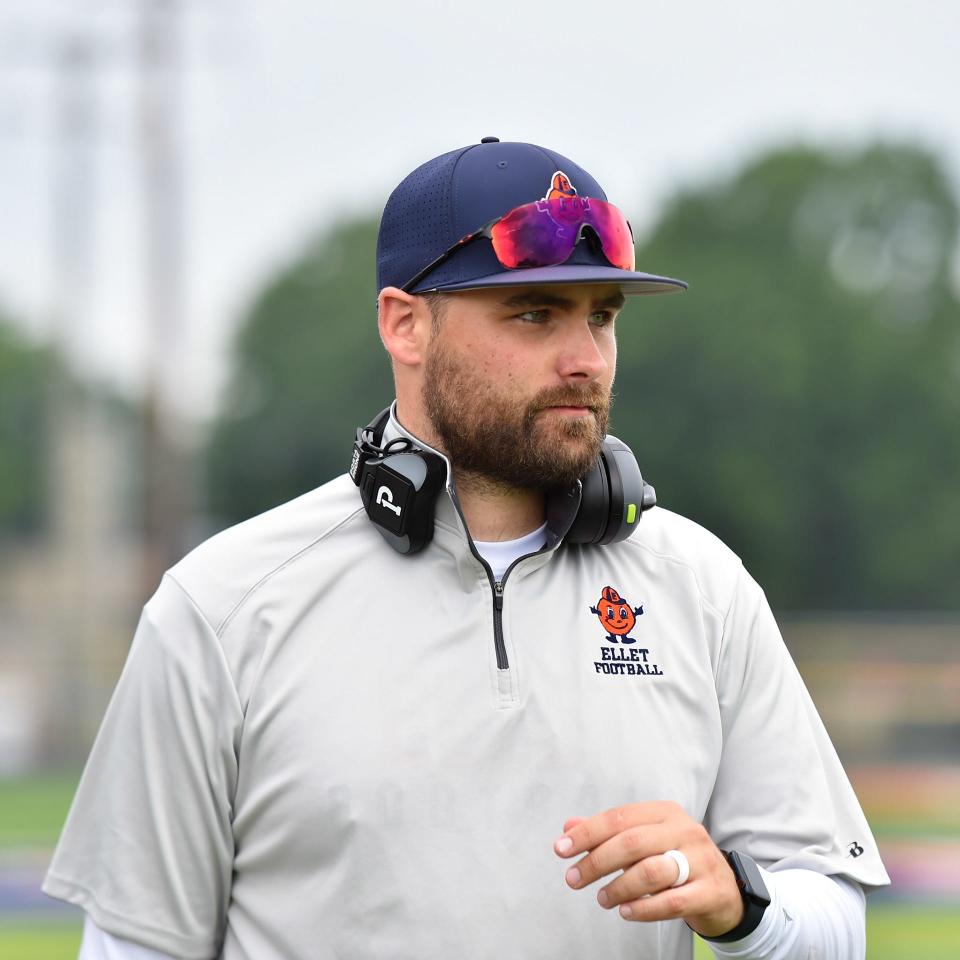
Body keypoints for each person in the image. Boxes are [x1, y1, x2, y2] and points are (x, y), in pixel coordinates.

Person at [45, 137, 889, 960]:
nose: (585, 360)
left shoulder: (702, 588)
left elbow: (831, 917)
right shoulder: (221, 608)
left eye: (602, 316)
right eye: (534, 314)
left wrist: (740, 904)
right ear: (405, 325)